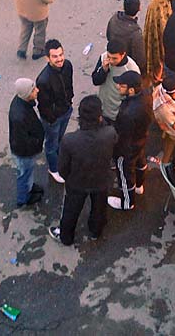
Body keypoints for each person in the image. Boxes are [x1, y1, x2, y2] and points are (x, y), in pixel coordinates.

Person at [49, 95, 117, 245]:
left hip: (77, 182)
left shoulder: (69, 140)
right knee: (99, 209)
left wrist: (69, 178)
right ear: (99, 116)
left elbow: (63, 168)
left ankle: (66, 237)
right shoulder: (110, 133)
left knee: (71, 211)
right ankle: (95, 232)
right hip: (101, 179)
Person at [107, 71, 153, 210]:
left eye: (121, 86)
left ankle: (127, 202)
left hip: (125, 149)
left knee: (124, 174)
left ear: (131, 90)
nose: (118, 87)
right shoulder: (146, 96)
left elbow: (120, 134)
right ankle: (139, 186)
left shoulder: (128, 113)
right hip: (141, 139)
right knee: (140, 163)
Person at [36, 39, 74, 184]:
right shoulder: (44, 79)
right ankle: (53, 169)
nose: (59, 59)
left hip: (66, 110)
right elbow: (43, 106)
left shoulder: (68, 65)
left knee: (59, 139)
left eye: (61, 54)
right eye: (55, 56)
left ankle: (59, 159)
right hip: (53, 118)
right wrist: (52, 118)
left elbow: (69, 85)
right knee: (51, 144)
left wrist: (69, 101)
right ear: (48, 58)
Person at [8, 78, 45, 207]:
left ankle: (29, 187)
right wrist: (36, 144)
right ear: (26, 95)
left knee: (27, 173)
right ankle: (24, 198)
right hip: (24, 153)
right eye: (33, 90)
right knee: (24, 174)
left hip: (26, 150)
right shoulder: (19, 115)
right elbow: (23, 142)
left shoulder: (22, 103)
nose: (37, 90)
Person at [91, 41, 141, 122]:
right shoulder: (104, 58)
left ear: (123, 54)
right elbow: (95, 81)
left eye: (114, 58)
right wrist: (104, 70)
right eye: (109, 56)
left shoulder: (132, 69)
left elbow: (134, 96)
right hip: (103, 109)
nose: (110, 61)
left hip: (118, 114)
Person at [106, 0, 146, 73]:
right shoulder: (135, 33)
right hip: (126, 65)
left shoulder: (114, 18)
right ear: (139, 8)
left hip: (113, 57)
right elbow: (140, 58)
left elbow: (108, 36)